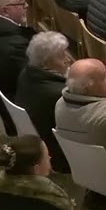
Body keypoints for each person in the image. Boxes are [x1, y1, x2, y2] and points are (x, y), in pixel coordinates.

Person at [16, 31, 72, 173]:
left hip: (40, 137)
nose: (68, 59)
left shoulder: (27, 72)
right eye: (61, 56)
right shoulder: (59, 94)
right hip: (61, 155)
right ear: (47, 62)